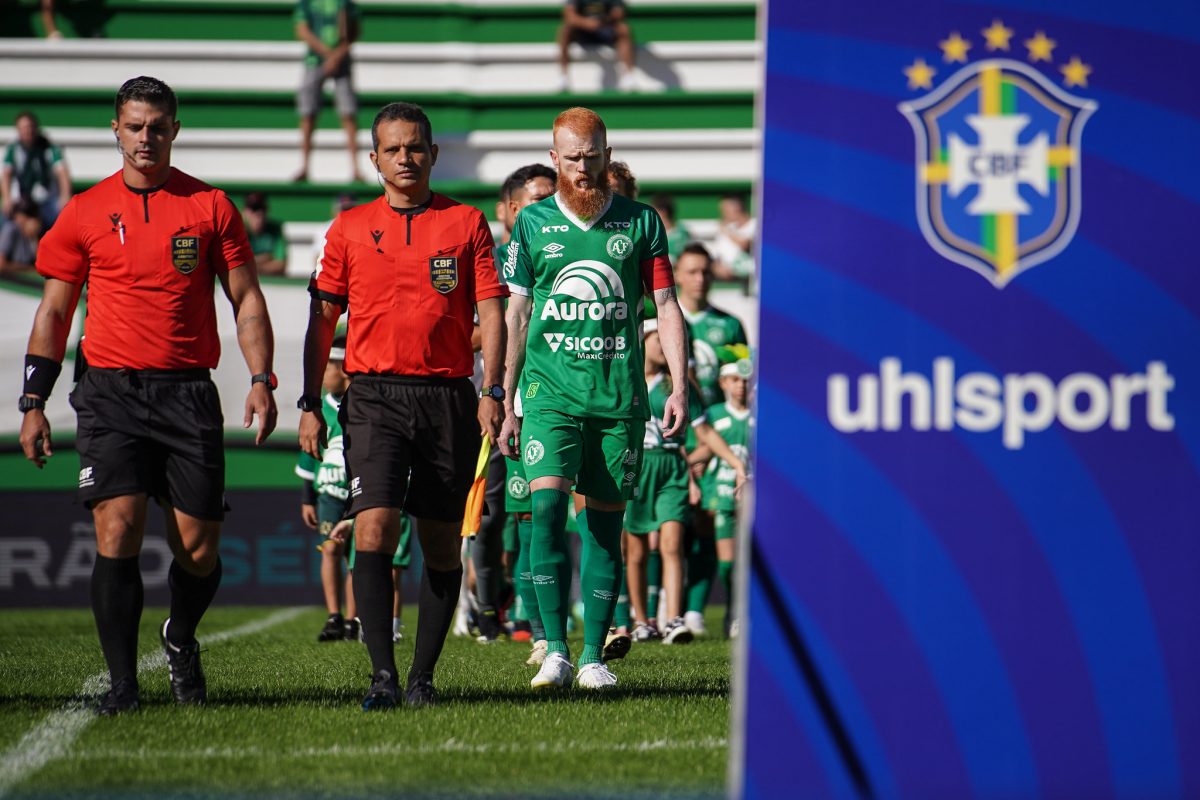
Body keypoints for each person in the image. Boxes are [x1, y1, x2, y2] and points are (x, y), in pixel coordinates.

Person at [19, 76, 277, 716]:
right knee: (118, 525)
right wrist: (32, 402)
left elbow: (246, 298)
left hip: (189, 392)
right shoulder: (82, 210)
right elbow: (54, 312)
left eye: (157, 126)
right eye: (134, 126)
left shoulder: (210, 206)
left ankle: (180, 636)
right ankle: (122, 685)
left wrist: (262, 378)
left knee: (198, 548)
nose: (145, 138)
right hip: (110, 391)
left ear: (175, 129)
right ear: (116, 129)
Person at [300, 101, 507, 710]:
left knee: (442, 544)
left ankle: (423, 679)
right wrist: (310, 401)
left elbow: (491, 312)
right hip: (373, 397)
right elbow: (321, 320)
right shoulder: (346, 228)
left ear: (434, 153)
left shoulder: (467, 222)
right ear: (374, 159)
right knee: (374, 527)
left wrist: (492, 390)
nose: (405, 157)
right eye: (393, 149)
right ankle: (383, 678)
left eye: (415, 146)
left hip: (447, 396)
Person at [499, 106, 688, 691]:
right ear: (554, 158)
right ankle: (552, 647)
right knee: (548, 511)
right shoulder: (530, 224)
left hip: (619, 398)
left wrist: (680, 384)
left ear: (608, 154)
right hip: (548, 394)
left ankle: (592, 657)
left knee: (606, 527)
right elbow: (516, 312)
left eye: (592, 155)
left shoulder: (642, 223)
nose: (582, 168)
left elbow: (665, 306)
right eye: (571, 157)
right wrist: (503, 397)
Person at [465, 163, 558, 645]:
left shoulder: (567, 253)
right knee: (490, 515)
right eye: (538, 199)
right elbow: (467, 333)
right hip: (492, 404)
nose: (549, 207)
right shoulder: (490, 259)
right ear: (512, 210)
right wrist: (503, 332)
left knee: (537, 513)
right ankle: (483, 603)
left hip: (548, 399)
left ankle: (539, 627)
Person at [625, 320, 747, 644]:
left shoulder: (678, 386)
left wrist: (736, 464)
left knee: (672, 544)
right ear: (644, 340)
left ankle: (674, 620)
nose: (663, 347)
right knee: (635, 550)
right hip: (636, 465)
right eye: (657, 340)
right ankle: (641, 620)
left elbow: (705, 431)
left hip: (671, 468)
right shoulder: (626, 375)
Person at [673, 241, 748, 635]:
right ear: (678, 274)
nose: (699, 278)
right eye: (691, 271)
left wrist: (708, 445)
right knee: (665, 528)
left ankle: (696, 610)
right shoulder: (661, 316)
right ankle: (660, 611)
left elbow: (744, 381)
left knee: (708, 522)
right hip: (668, 435)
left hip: (713, 437)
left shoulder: (730, 325)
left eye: (705, 270)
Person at [703, 347, 753, 637]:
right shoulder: (714, 415)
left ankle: (746, 613)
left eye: (745, 380)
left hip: (756, 497)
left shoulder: (762, 414)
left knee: (752, 562)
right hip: (723, 496)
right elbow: (703, 449)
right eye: (735, 380)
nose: (741, 385)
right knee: (728, 564)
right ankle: (732, 613)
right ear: (723, 383)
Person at [294, 0, 362, 183]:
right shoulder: (307, 3)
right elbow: (302, 30)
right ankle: (305, 166)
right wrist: (330, 54)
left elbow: (354, 31)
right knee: (308, 113)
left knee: (348, 113)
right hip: (315, 61)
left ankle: (356, 168)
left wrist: (335, 54)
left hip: (339, 61)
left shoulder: (345, 3)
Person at [2, 111, 72, 227]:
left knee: (58, 223)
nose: (27, 131)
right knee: (7, 224)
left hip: (46, 200)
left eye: (30, 127)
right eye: (24, 128)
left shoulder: (49, 148)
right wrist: (6, 198)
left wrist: (65, 196)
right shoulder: (13, 149)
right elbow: (6, 173)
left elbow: (62, 172)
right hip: (21, 201)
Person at [557, 0, 638, 93]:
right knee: (564, 30)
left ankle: (628, 75)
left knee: (623, 29)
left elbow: (618, 13)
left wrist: (602, 22)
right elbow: (569, 15)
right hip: (582, 32)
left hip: (605, 29)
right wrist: (586, 23)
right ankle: (563, 76)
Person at [710, 193, 756, 282]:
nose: (723, 214)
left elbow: (745, 245)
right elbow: (717, 255)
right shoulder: (726, 228)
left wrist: (726, 232)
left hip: (748, 277)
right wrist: (718, 268)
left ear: (737, 207)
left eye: (725, 210)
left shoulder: (755, 224)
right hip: (723, 277)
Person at [242, 192, 288, 276]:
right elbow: (237, 265)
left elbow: (281, 265)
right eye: (253, 209)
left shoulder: (275, 230)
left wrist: (252, 264)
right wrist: (267, 257)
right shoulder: (238, 230)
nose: (258, 213)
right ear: (245, 212)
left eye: (262, 208)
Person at [0, 198, 44, 275]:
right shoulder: (11, 229)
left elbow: (41, 265)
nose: (19, 218)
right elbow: (1, 265)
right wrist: (28, 269)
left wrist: (35, 237)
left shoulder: (35, 233)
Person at [650, 193, 689, 267]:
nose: (648, 215)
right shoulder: (650, 234)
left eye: (652, 211)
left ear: (663, 212)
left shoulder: (682, 235)